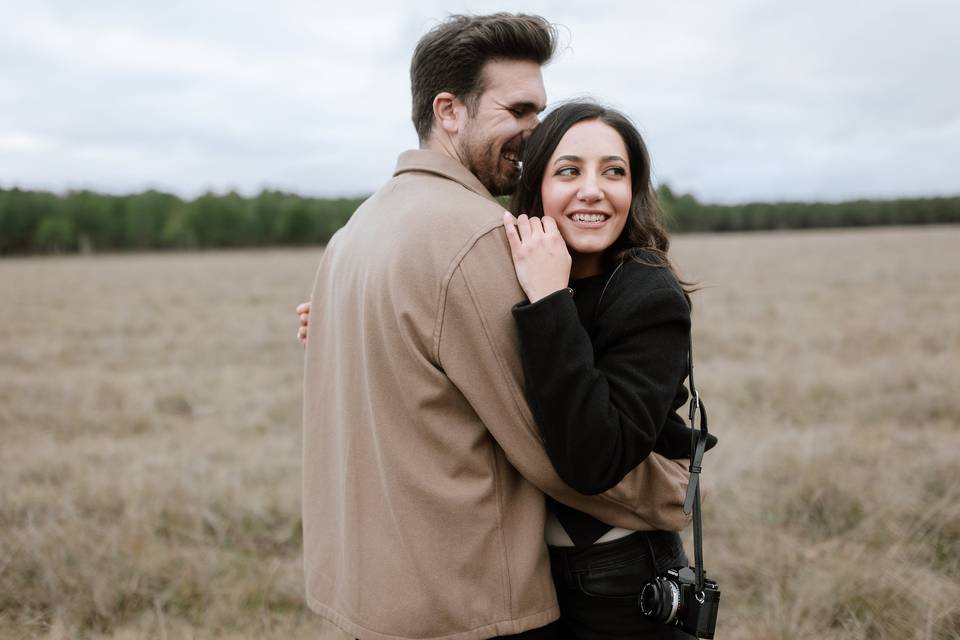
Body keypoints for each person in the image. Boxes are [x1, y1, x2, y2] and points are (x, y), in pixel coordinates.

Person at [301, 13, 693, 640]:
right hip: (466, 600)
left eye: (539, 111)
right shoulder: (477, 236)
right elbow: (552, 448)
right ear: (449, 111)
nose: (534, 132)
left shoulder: (356, 230)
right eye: (518, 110)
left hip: (371, 592)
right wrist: (670, 491)